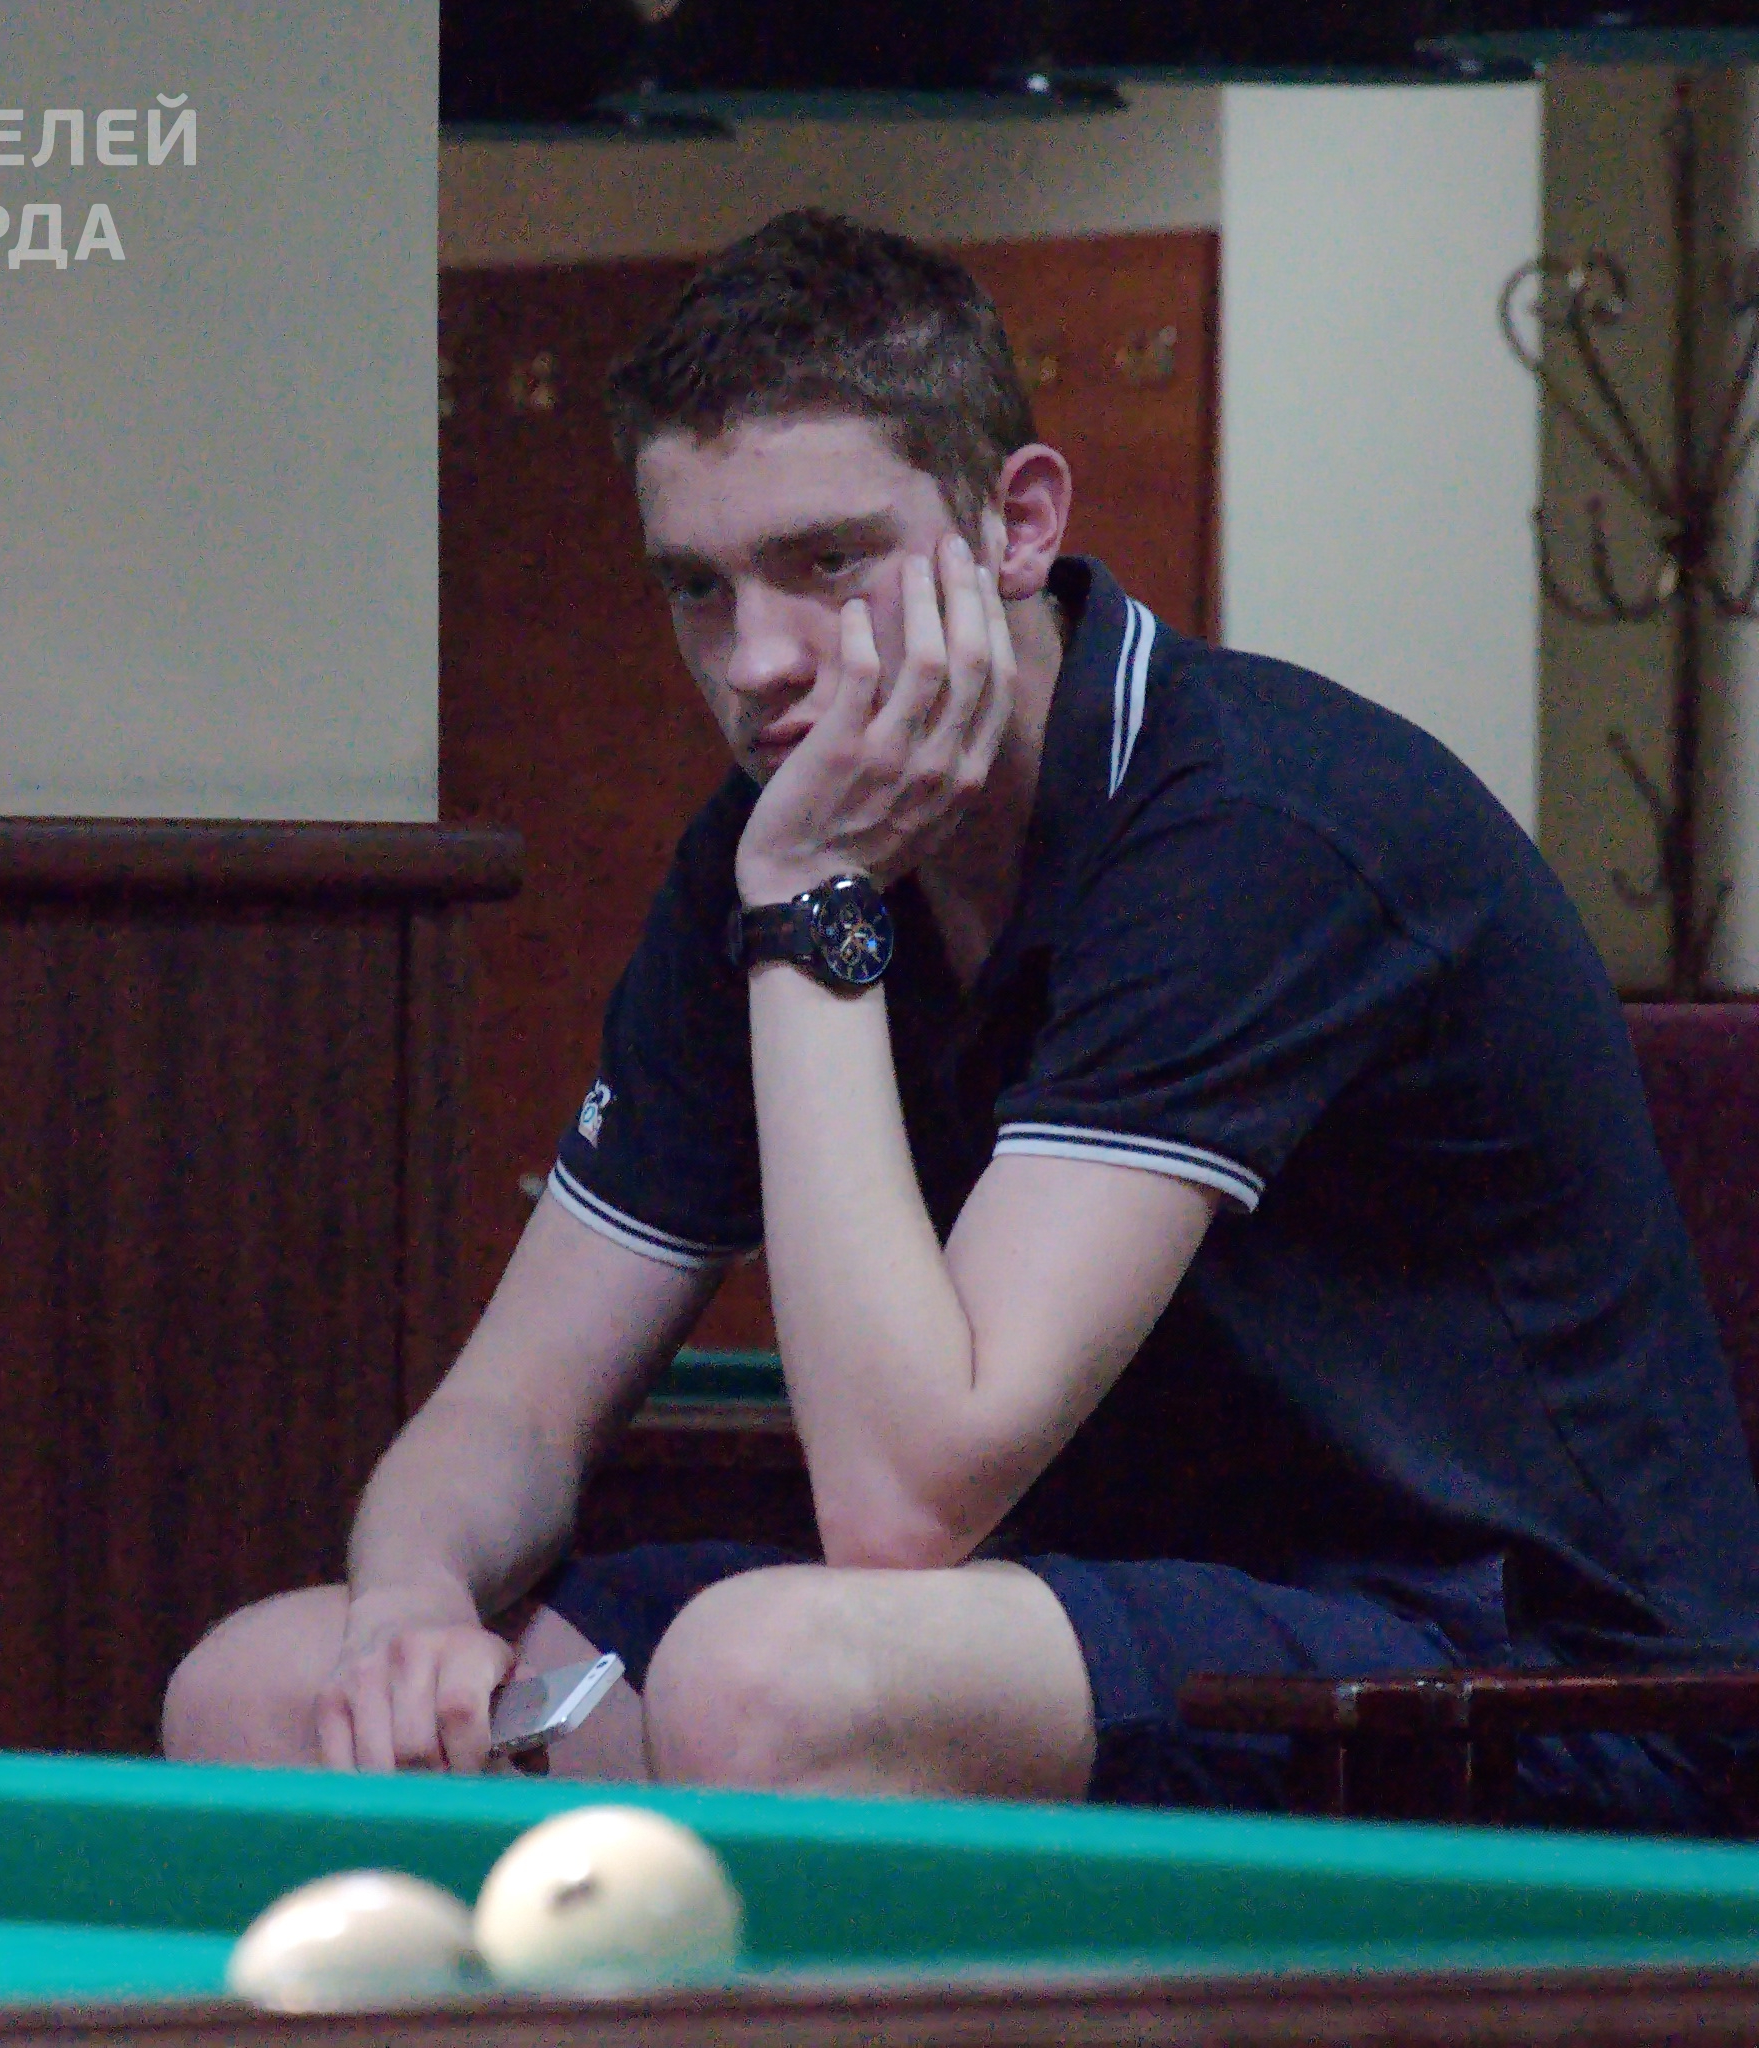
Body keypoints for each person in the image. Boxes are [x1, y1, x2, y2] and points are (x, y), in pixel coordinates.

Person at [162, 208, 1759, 1828]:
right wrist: (409, 1605)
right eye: (698, 587)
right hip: (1087, 1615)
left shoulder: (1249, 830)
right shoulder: (765, 845)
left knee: (760, 1683)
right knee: (269, 1688)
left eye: (827, 562)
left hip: (1530, 1677)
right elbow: (513, 1405)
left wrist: (814, 904)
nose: (756, 662)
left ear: (1019, 522)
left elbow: (903, 1505)